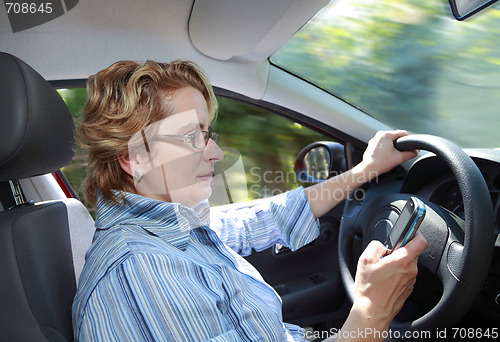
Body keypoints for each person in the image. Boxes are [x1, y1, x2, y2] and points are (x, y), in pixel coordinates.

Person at [72, 59, 427, 342]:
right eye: (189, 136)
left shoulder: (173, 228)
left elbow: (262, 219)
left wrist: (364, 170)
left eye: (207, 133)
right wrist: (372, 310)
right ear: (133, 158)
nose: (216, 152)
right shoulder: (142, 273)